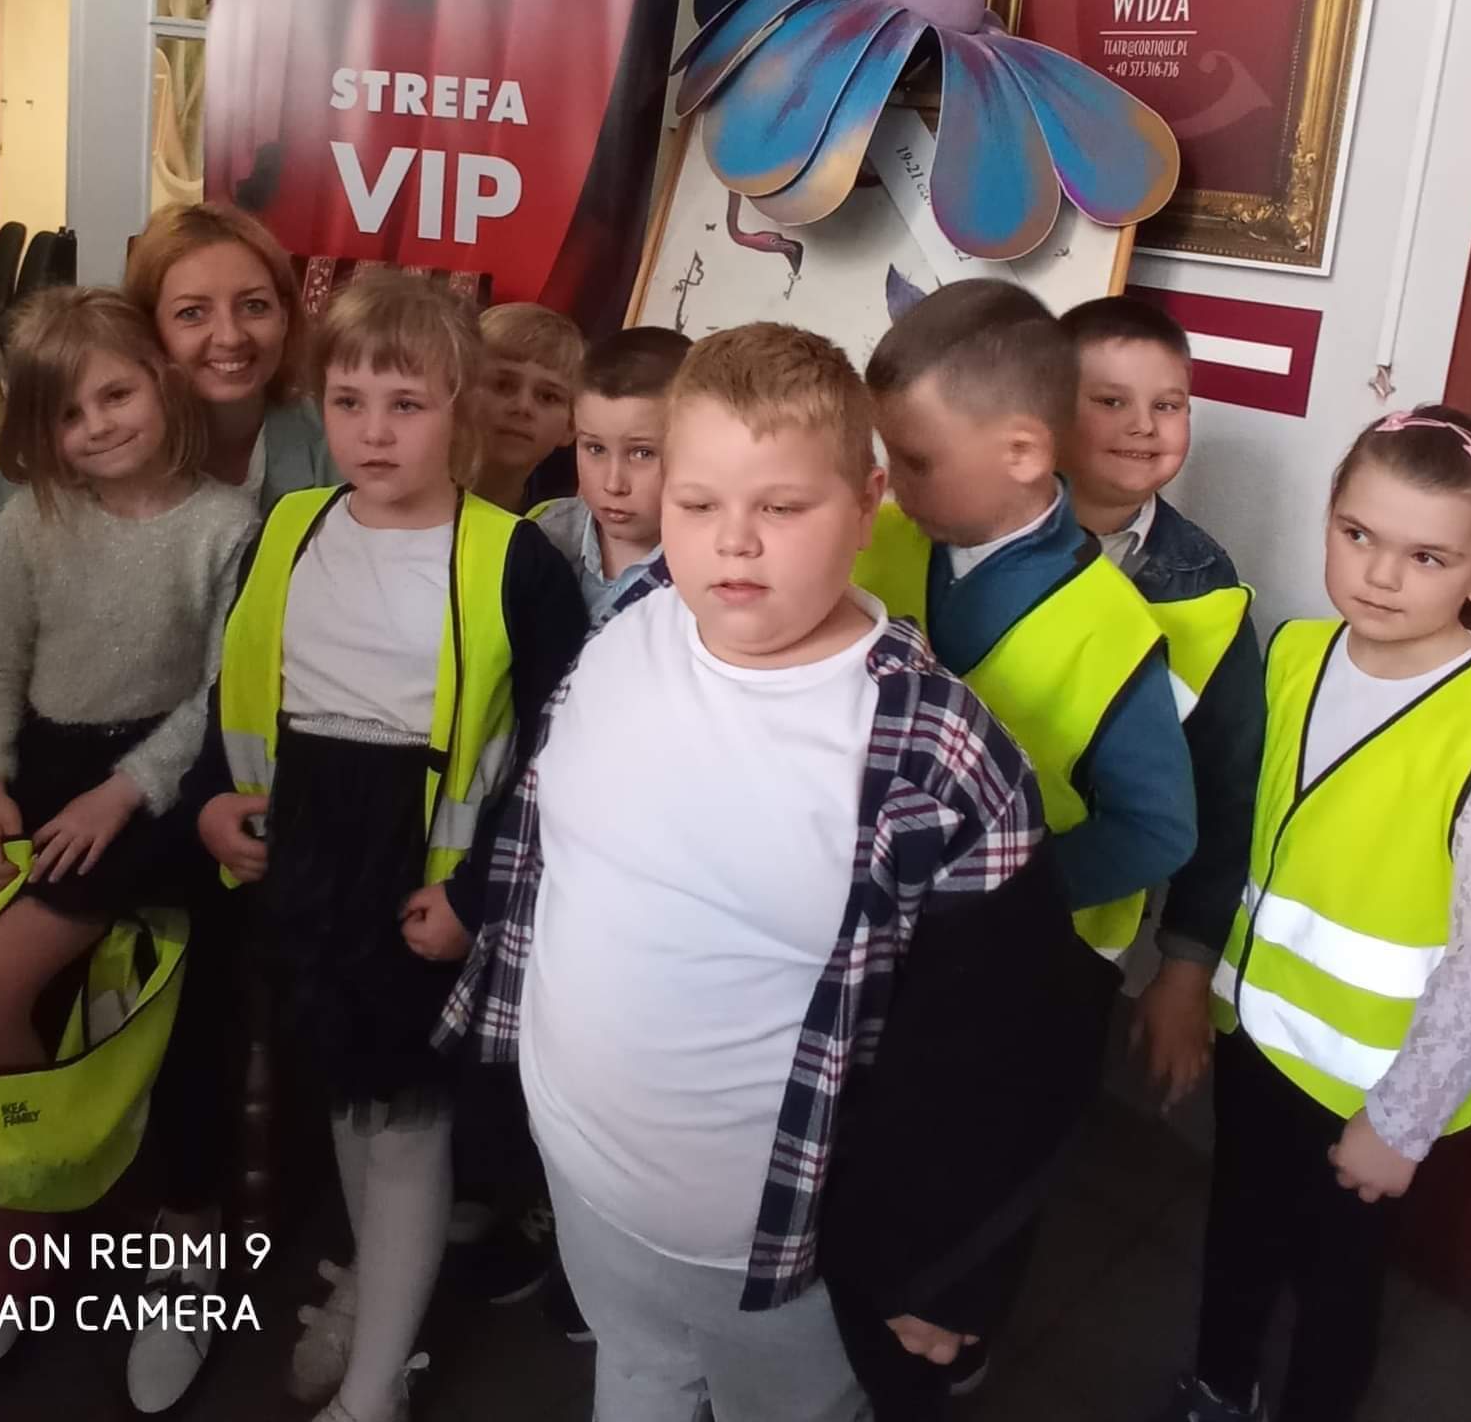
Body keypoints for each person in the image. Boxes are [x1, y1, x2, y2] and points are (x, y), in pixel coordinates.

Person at [436, 322, 1107, 1422]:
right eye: (696, 502)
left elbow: (1007, 1044)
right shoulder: (629, 627)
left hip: (777, 1252)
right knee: (637, 1374)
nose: (732, 543)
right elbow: (546, 840)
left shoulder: (935, 755)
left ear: (868, 501)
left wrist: (945, 1270)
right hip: (583, 1180)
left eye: (782, 507)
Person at [190, 270, 587, 1422]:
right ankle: (376, 1280)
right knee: (345, 1090)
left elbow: (557, 749)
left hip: (420, 870)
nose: (373, 429)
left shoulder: (513, 560)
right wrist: (214, 798)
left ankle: (373, 1390)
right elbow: (236, 679)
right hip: (299, 854)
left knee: (407, 1123)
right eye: (349, 400)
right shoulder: (286, 529)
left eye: (405, 403)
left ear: (459, 406)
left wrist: (475, 890)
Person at [1153, 405, 1471, 1422]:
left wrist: (1402, 1123)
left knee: (1334, 1281)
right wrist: (1195, 978)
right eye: (1357, 534)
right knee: (1237, 1229)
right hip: (1257, 1033)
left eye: (1426, 556)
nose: (1379, 574)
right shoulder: (1295, 651)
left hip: (1369, 1085)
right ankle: (1219, 1387)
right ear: (1330, 516)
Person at [852, 277, 1196, 1400]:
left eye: (912, 459)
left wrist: (999, 899)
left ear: (1018, 452)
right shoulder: (887, 540)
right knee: (882, 1162)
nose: (890, 481)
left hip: (1027, 968)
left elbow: (1157, 826)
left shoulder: (1111, 627)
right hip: (886, 942)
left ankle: (951, 1338)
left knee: (973, 1203)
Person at [0, 287, 255, 1370]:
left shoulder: (226, 525)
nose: (99, 425)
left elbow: (219, 693)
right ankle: (28, 1189)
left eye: (116, 394)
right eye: (69, 414)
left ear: (160, 384)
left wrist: (124, 790)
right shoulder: (34, 517)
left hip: (159, 785)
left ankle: (105, 1219)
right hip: (40, 766)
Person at [1058, 295, 1266, 1112]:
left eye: (1168, 405)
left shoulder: (1206, 584)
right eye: (1110, 401)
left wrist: (1185, 968)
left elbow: (1227, 786)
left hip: (1085, 931)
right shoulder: (969, 534)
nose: (1143, 426)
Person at [0, 200, 334, 590]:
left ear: (284, 316)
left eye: (254, 306)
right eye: (192, 313)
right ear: (147, 327)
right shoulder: (95, 432)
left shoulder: (332, 437)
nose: (230, 336)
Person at [533, 325, 690, 622]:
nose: (613, 484)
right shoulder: (542, 536)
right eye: (595, 449)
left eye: (642, 453)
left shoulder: (711, 566)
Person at [473, 300, 583, 514]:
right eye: (502, 385)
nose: (523, 407)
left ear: (571, 426)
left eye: (548, 397)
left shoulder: (560, 526)